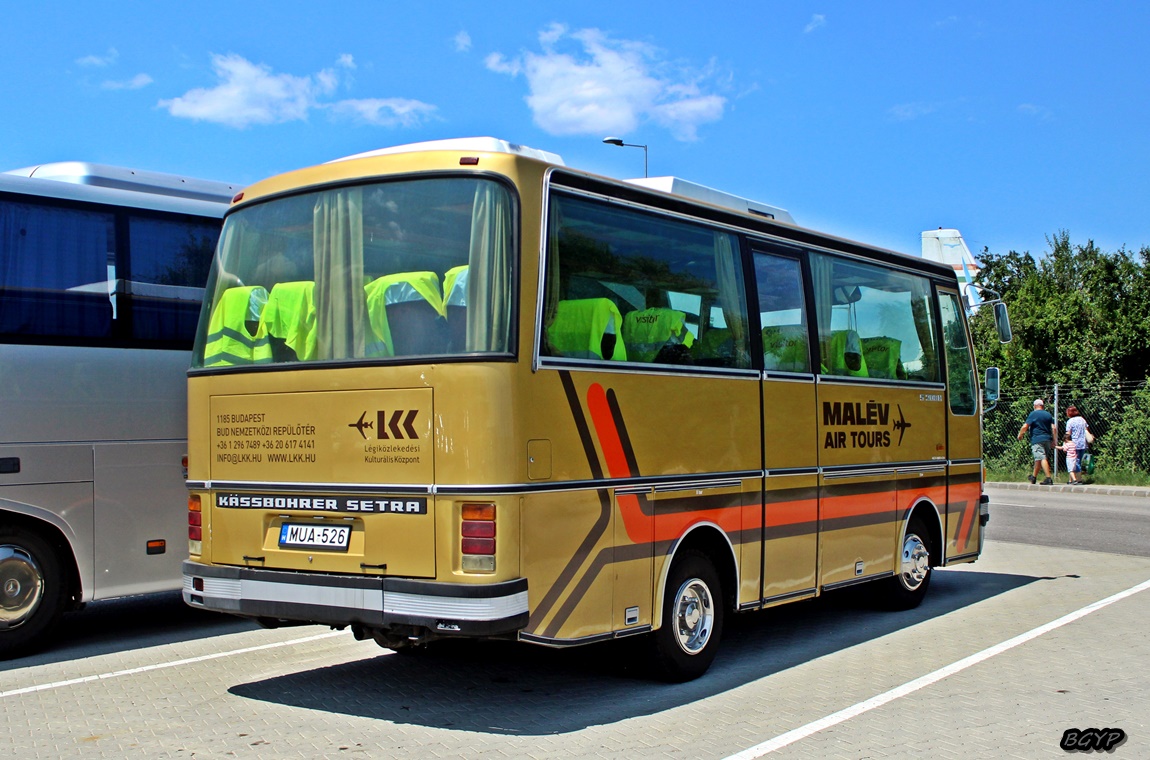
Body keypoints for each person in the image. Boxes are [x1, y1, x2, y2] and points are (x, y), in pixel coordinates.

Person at [1017, 398, 1056, 485]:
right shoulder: (1048, 415)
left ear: (1035, 406)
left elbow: (1025, 426)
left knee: (1042, 458)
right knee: (1039, 458)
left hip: (1037, 439)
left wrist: (1020, 435)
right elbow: (1054, 428)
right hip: (1047, 439)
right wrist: (1054, 440)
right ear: (1042, 406)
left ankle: (1048, 478)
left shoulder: (1033, 414)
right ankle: (1033, 478)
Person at [1065, 405, 1092, 480]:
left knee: (1075, 461)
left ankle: (1078, 479)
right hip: (1083, 443)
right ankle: (1072, 479)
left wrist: (1065, 442)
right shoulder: (1082, 419)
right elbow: (1086, 430)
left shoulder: (1070, 421)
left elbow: (1068, 433)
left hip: (1074, 444)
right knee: (1079, 460)